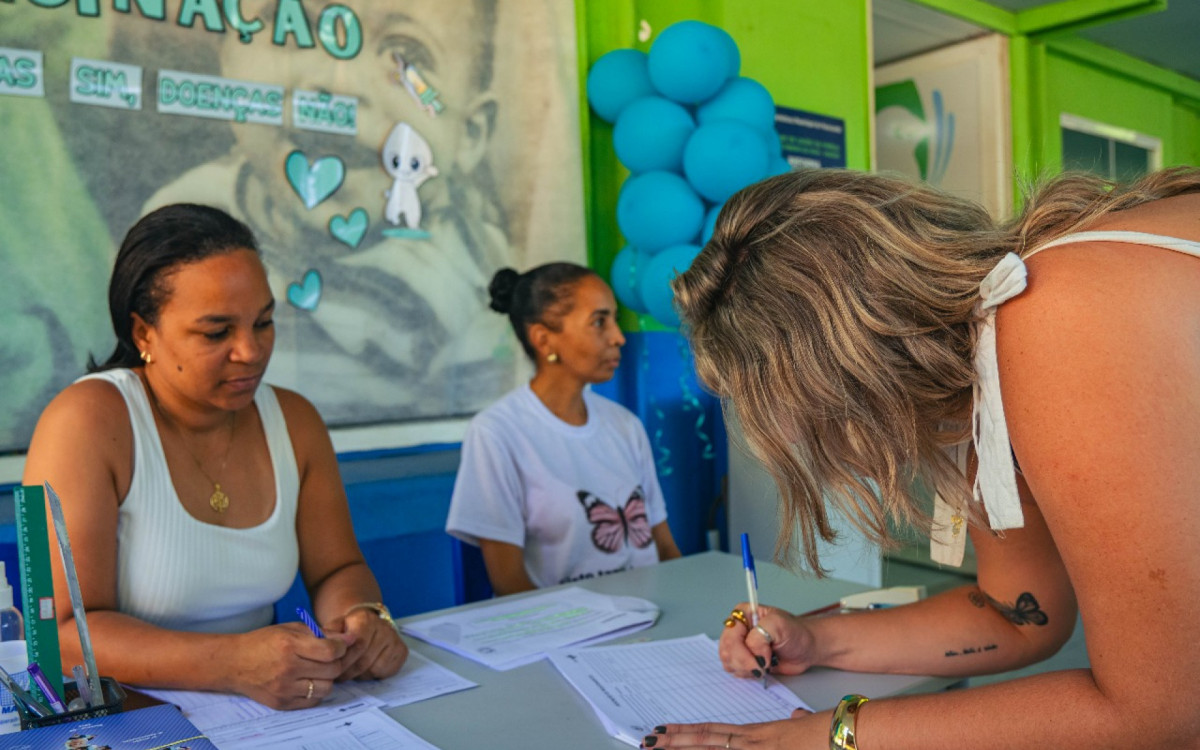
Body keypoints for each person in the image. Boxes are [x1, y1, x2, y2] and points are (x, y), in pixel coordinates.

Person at [647, 167, 1200, 748]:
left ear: (838, 371)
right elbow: (1015, 615)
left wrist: (827, 737)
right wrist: (817, 639)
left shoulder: (1052, 316)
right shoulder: (986, 373)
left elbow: (1167, 710)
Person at [21, 204, 408, 710]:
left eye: (264, 322)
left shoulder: (296, 422)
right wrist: (230, 664)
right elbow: (58, 636)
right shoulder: (85, 421)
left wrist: (361, 620)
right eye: (216, 333)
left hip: (265, 716)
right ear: (143, 334)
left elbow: (337, 568)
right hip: (124, 717)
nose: (250, 351)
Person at [445, 263, 682, 595]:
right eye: (599, 322)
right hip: (568, 633)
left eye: (614, 320)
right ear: (544, 339)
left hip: (650, 615)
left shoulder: (625, 425)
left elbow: (665, 550)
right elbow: (509, 584)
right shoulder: (497, 433)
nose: (619, 337)